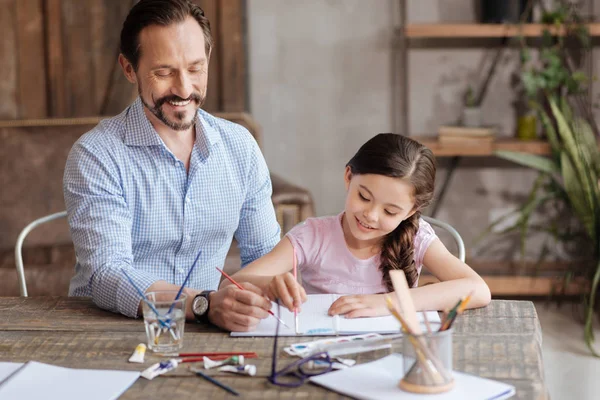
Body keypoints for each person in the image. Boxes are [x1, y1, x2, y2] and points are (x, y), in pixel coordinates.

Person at [63, 0, 278, 332]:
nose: (183, 89)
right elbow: (107, 274)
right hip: (112, 330)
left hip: (209, 331)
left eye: (195, 69)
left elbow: (265, 254)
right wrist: (203, 304)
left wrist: (274, 284)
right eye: (163, 72)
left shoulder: (240, 147)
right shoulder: (96, 154)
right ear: (129, 68)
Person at [225, 133, 491, 318]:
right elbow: (232, 283)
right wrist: (270, 284)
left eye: (390, 210)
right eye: (364, 197)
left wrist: (387, 303)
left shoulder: (417, 237)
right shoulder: (313, 236)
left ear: (412, 210)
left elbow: (478, 290)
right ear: (348, 176)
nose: (371, 216)